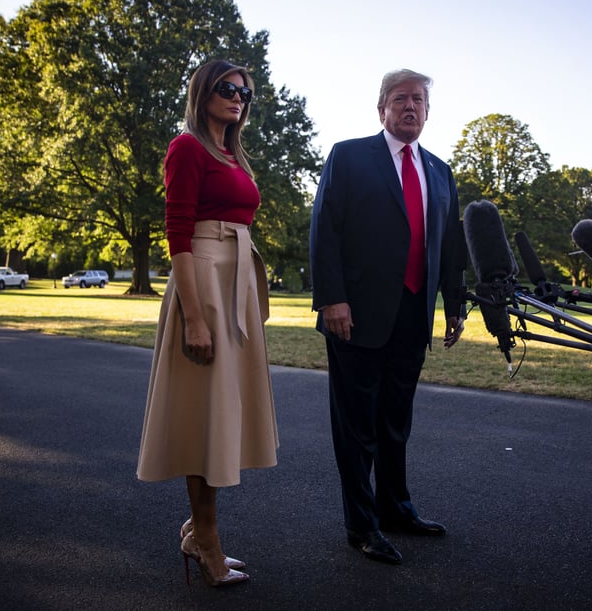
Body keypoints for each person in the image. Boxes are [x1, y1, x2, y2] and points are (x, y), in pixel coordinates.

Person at [309, 69, 466, 565]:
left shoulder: (440, 172)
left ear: (428, 111)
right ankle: (362, 526)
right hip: (353, 316)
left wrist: (455, 304)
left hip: (413, 315)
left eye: (418, 100)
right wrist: (332, 299)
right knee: (357, 427)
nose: (410, 107)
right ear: (381, 110)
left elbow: (449, 246)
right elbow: (325, 231)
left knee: (396, 421)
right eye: (400, 99)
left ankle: (396, 508)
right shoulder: (349, 156)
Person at [137, 60, 278, 587]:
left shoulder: (232, 155)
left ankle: (202, 532)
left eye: (245, 91)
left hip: (232, 287)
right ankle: (207, 540)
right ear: (202, 91)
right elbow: (177, 233)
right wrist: (194, 317)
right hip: (203, 286)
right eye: (227, 88)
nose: (238, 96)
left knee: (219, 415)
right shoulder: (187, 147)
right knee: (205, 416)